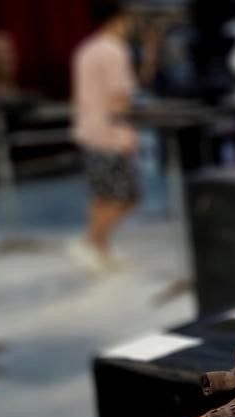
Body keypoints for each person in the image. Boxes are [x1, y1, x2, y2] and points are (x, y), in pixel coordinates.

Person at [68, 1, 157, 274]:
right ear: (119, 18)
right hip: (111, 133)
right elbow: (120, 97)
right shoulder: (113, 50)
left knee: (103, 195)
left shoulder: (87, 49)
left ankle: (100, 247)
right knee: (125, 196)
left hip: (91, 130)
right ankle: (90, 241)